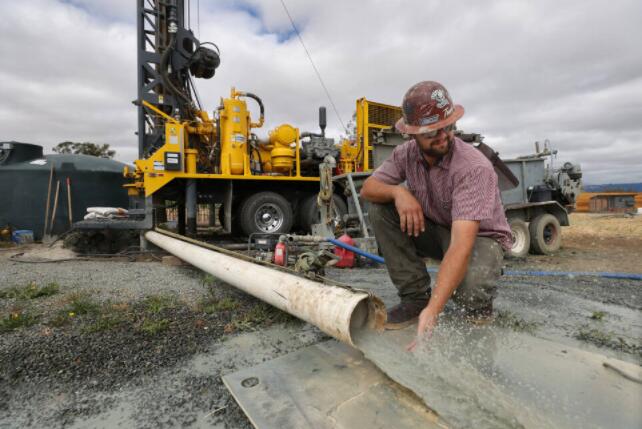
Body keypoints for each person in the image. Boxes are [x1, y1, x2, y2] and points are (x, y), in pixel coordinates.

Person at [360, 81, 512, 349]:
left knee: (469, 290)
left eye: (447, 127)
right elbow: (368, 189)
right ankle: (414, 299)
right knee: (380, 208)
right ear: (413, 135)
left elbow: (461, 246)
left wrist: (434, 310)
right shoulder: (404, 154)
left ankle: (478, 303)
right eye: (431, 132)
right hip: (439, 230)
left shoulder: (473, 167)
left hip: (481, 239)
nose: (442, 136)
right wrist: (399, 193)